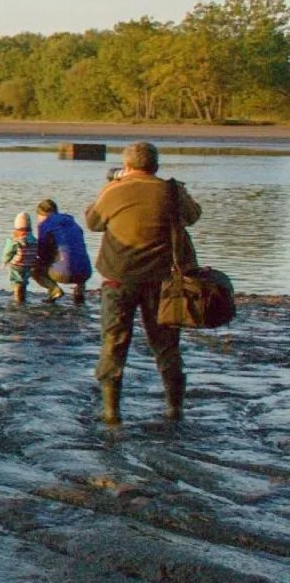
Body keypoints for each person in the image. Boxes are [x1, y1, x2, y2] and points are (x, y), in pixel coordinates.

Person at [85, 141, 200, 424]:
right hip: (164, 282)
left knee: (113, 342)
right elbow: (194, 216)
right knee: (166, 345)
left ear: (127, 166)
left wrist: (109, 187)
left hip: (118, 280)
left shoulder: (114, 190)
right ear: (155, 166)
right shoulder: (172, 191)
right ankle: (174, 409)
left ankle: (111, 412)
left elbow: (93, 222)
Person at [33, 199, 92, 305]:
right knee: (76, 255)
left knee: (33, 265)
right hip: (86, 272)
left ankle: (54, 290)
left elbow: (42, 253)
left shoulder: (44, 225)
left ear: (42, 214)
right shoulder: (74, 223)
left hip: (64, 273)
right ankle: (79, 293)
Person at [2, 212, 39, 304]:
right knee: (24, 280)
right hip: (29, 264)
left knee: (16, 280)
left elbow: (8, 251)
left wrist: (5, 261)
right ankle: (23, 295)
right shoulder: (34, 240)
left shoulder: (15, 241)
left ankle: (17, 297)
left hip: (17, 264)